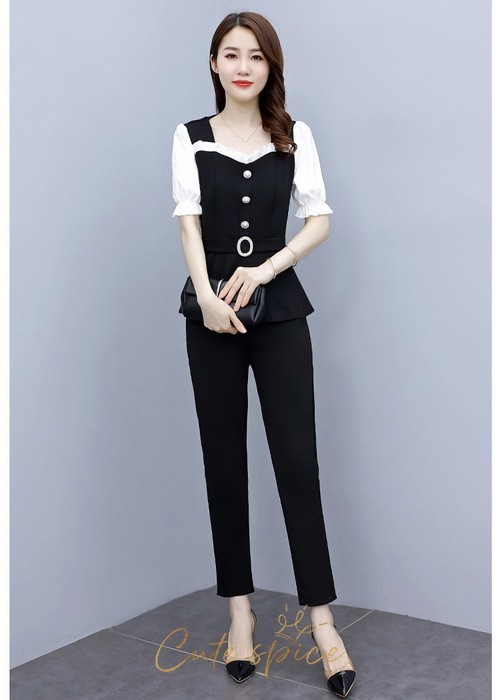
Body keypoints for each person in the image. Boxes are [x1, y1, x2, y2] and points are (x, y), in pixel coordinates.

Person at [171, 11, 356, 697]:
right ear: (213, 63)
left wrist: (267, 269)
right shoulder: (190, 137)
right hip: (210, 311)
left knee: (297, 461)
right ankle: (239, 614)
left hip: (279, 309)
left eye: (255, 55)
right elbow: (188, 224)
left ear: (270, 65)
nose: (243, 66)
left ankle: (323, 624)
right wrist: (206, 297)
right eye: (231, 54)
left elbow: (319, 221)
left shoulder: (293, 135)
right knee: (223, 460)